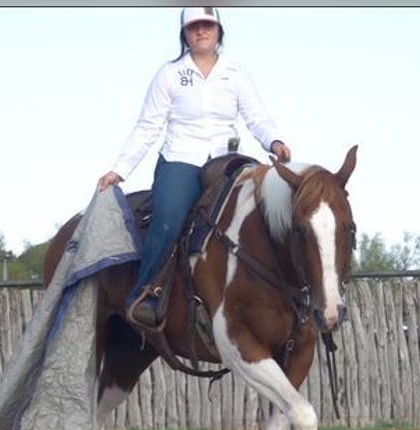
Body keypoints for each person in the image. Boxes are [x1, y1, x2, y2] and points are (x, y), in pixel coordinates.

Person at [97, 7, 292, 328]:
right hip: (181, 159)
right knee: (168, 219)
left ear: (218, 31)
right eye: (194, 27)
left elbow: (257, 117)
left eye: (208, 26)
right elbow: (148, 126)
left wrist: (274, 142)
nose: (201, 32)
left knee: (263, 210)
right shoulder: (169, 74)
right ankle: (146, 293)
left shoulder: (236, 74)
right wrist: (120, 169)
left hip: (227, 161)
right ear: (185, 34)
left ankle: (279, 292)